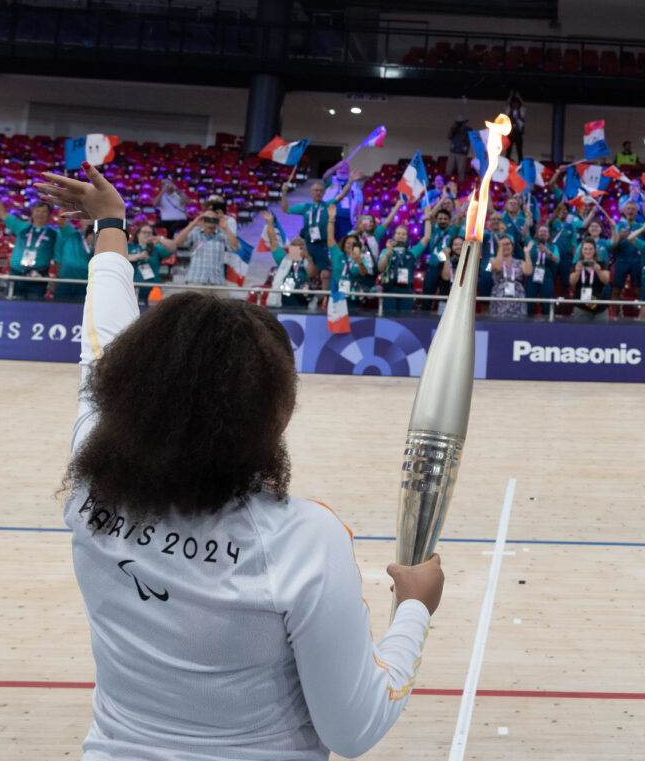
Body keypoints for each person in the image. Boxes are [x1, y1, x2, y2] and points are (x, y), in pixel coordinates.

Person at [34, 162, 442, 761]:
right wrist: (414, 610)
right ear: (273, 415)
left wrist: (111, 228)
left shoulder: (91, 480)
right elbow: (352, 730)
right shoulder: (302, 540)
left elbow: (103, 342)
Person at [280, 174, 355, 290]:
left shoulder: (327, 205)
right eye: (315, 190)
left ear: (324, 193)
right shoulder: (305, 207)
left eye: (320, 190)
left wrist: (350, 182)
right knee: (295, 268)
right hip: (306, 243)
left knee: (325, 275)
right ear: (311, 192)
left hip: (322, 245)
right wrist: (283, 193)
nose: (318, 193)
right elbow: (285, 209)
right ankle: (295, 292)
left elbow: (341, 196)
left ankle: (325, 299)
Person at [0, 180, 58, 299]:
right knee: (11, 310)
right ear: (32, 213)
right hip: (16, 275)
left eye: (44, 211)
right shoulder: (22, 227)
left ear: (49, 215)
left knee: (34, 312)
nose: (40, 214)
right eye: (37, 210)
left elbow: (58, 258)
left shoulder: (54, 234)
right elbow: (1, 213)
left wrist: (55, 278)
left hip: (38, 277)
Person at [176, 206, 240, 292]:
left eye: (213, 218)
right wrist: (193, 223)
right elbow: (178, 242)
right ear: (202, 220)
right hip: (196, 280)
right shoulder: (195, 233)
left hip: (218, 281)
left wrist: (225, 227)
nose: (210, 220)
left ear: (217, 221)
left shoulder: (222, 235)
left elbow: (235, 247)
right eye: (207, 218)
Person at [420, 199, 463, 313]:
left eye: (445, 219)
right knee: (427, 296)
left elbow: (459, 216)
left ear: (450, 221)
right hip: (433, 267)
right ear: (437, 220)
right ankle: (424, 320)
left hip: (446, 268)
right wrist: (441, 200)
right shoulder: (433, 230)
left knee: (445, 296)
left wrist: (454, 197)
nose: (442, 221)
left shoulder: (453, 230)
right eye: (440, 219)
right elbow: (430, 216)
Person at [610, 199, 645, 305]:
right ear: (624, 212)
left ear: (636, 212)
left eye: (633, 209)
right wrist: (619, 237)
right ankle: (614, 317)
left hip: (637, 261)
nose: (630, 211)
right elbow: (613, 244)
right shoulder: (619, 226)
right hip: (621, 260)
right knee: (616, 290)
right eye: (628, 209)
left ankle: (637, 317)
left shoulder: (640, 226)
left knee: (637, 290)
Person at [125, 223, 177, 306]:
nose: (147, 235)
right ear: (138, 234)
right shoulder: (129, 246)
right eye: (144, 232)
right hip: (133, 287)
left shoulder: (157, 249)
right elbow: (120, 257)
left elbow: (173, 247)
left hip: (153, 287)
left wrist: (159, 239)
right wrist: (138, 256)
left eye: (150, 233)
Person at [378, 225, 418, 315]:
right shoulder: (386, 251)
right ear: (394, 236)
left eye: (404, 234)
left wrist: (427, 219)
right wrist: (388, 252)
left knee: (405, 320)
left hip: (406, 290)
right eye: (398, 233)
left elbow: (426, 238)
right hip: (390, 288)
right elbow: (380, 268)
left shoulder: (412, 252)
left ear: (407, 237)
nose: (401, 236)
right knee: (389, 320)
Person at [268, 237, 317, 309]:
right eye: (294, 245)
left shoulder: (308, 260)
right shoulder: (283, 258)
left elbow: (312, 275)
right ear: (290, 247)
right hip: (285, 299)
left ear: (305, 247)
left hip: (302, 299)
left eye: (301, 245)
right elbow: (273, 241)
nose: (298, 247)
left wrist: (308, 257)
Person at [568, 240, 611, 321]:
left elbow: (606, 281)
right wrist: (577, 272)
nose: (588, 251)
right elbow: (572, 282)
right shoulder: (576, 265)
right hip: (581, 307)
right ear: (582, 251)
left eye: (590, 249)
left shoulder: (602, 264)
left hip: (600, 307)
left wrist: (598, 271)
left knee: (603, 333)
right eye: (585, 249)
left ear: (595, 250)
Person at [53, 221, 96, 302]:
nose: (88, 220)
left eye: (90, 217)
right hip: (64, 282)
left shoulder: (99, 237)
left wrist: (94, 245)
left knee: (81, 313)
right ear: (80, 220)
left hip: (85, 283)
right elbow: (61, 220)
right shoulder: (70, 233)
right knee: (58, 310)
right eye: (85, 217)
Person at [487, 232, 527, 319]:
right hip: (499, 297)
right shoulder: (491, 260)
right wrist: (500, 249)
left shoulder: (520, 262)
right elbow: (496, 268)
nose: (505, 246)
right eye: (502, 244)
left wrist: (527, 253)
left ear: (512, 246)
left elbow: (528, 272)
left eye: (508, 244)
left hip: (517, 296)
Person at [523, 224, 559, 317]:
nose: (543, 233)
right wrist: (527, 219)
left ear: (549, 235)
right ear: (536, 234)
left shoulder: (553, 247)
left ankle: (547, 327)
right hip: (532, 276)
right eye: (541, 231)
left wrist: (547, 251)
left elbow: (557, 260)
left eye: (545, 231)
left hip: (547, 278)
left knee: (546, 305)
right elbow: (523, 233)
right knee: (529, 304)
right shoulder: (531, 244)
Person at [506, 90, 526, 163]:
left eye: (516, 104)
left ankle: (520, 163)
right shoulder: (509, 111)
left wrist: (519, 97)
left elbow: (523, 105)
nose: (515, 105)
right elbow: (507, 104)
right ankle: (507, 162)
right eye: (513, 103)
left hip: (518, 133)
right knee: (508, 150)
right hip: (510, 133)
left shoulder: (521, 111)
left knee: (519, 150)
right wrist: (510, 96)